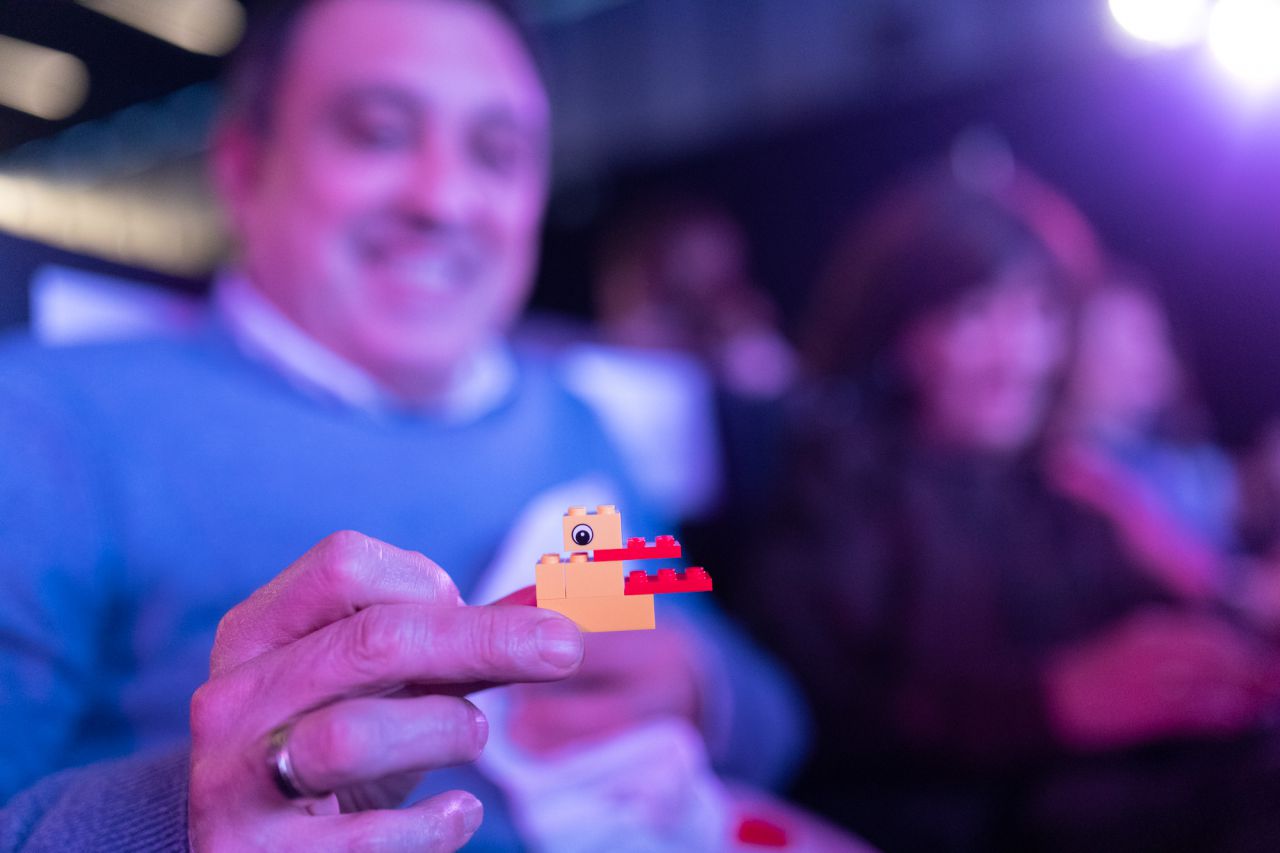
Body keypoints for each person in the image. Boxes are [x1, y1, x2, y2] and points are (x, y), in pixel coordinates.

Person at [0, 0, 804, 846]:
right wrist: (186, 820)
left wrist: (700, 686)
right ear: (241, 167)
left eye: (497, 153)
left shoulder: (575, 424)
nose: (446, 199)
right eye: (379, 133)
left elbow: (774, 716)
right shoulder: (48, 420)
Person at [748, 162, 1280, 852]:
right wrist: (1047, 704)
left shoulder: (1062, 491)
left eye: (1037, 311)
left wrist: (1220, 642)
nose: (1018, 353)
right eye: (974, 313)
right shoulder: (836, 491)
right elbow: (810, 715)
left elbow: (1171, 620)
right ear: (901, 330)